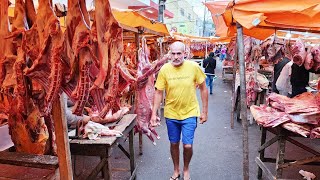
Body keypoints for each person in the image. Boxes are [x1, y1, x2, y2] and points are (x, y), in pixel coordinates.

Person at [150, 41, 208, 180]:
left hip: (190, 112)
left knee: (187, 145)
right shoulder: (164, 69)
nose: (176, 57)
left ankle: (186, 169)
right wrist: (153, 113)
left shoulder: (194, 67)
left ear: (185, 54)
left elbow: (203, 88)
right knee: (174, 143)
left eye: (179, 53)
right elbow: (158, 92)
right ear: (169, 54)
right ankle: (176, 170)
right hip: (171, 114)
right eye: (173, 53)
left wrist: (204, 111)